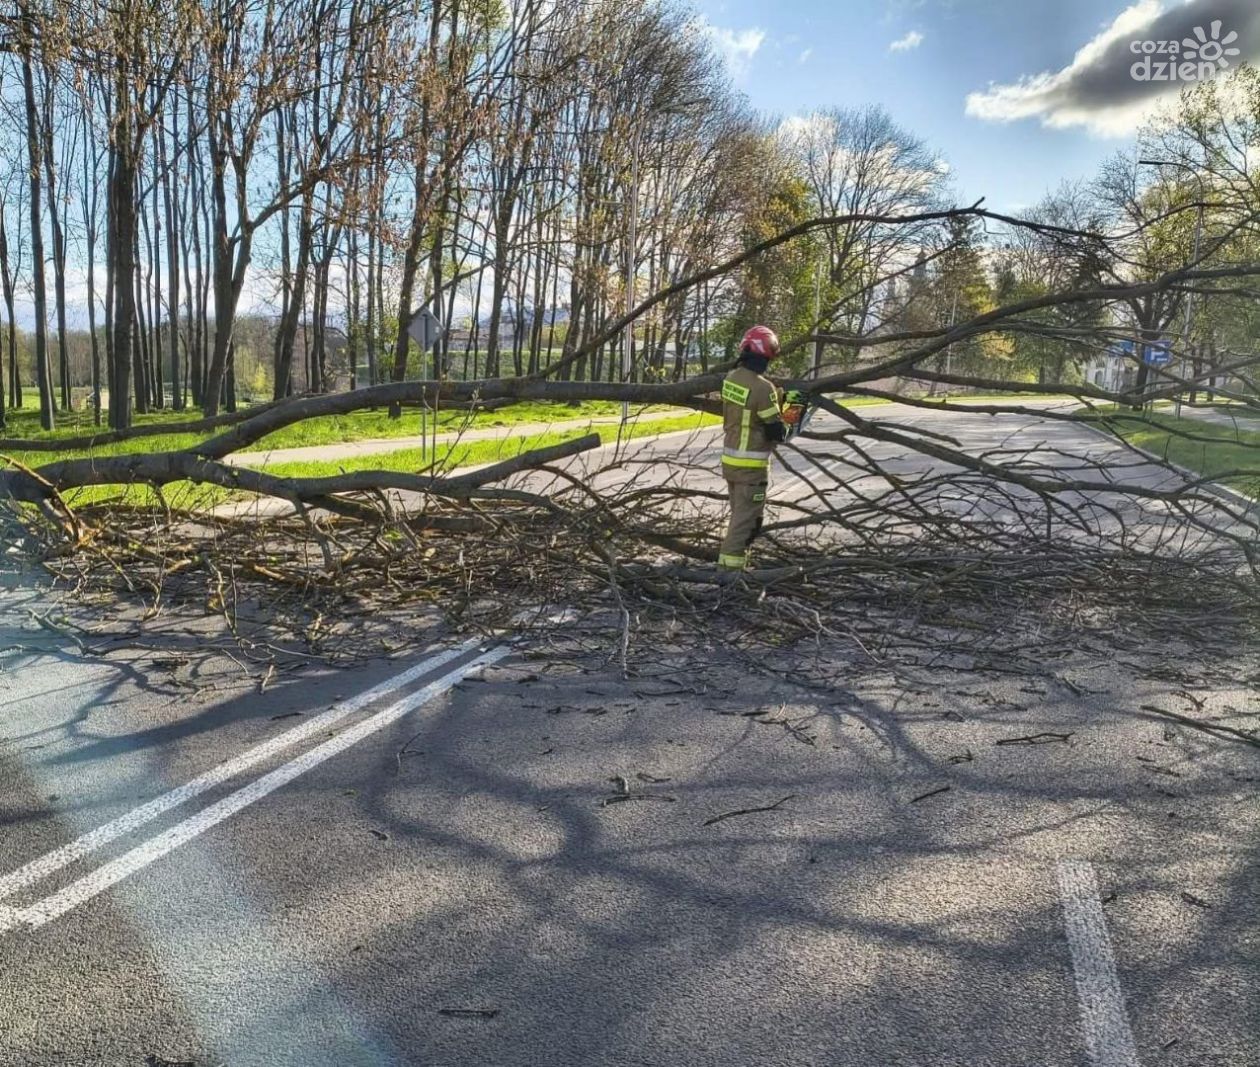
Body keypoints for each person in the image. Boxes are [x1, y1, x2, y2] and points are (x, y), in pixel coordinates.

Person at [717, 324, 804, 572]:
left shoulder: (731, 379)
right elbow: (776, 432)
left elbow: (748, 407)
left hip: (732, 463)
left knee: (740, 519)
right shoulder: (763, 388)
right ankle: (728, 575)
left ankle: (738, 568)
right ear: (767, 356)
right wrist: (793, 409)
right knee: (745, 525)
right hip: (751, 467)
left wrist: (775, 397)